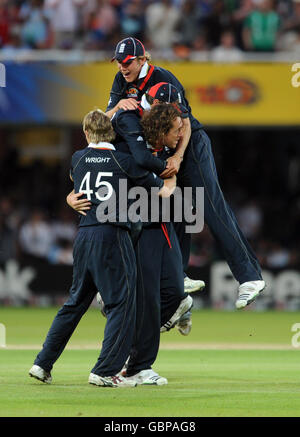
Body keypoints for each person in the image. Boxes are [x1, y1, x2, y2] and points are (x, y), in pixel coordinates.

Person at [106, 36, 265, 309]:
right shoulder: (122, 81)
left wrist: (179, 157)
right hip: (166, 146)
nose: (123, 66)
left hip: (189, 145)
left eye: (128, 61)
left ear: (144, 59)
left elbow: (185, 124)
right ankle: (178, 278)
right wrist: (119, 106)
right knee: (173, 207)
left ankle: (249, 277)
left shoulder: (164, 79)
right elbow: (107, 116)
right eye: (119, 62)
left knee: (209, 205)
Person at [28, 109, 176, 388]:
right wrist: (172, 173)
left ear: (86, 133)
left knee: (74, 303)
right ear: (113, 133)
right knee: (122, 302)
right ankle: (105, 370)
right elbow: (163, 191)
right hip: (112, 235)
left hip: (84, 236)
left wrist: (70, 199)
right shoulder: (124, 161)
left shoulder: (77, 158)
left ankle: (42, 363)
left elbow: (78, 187)